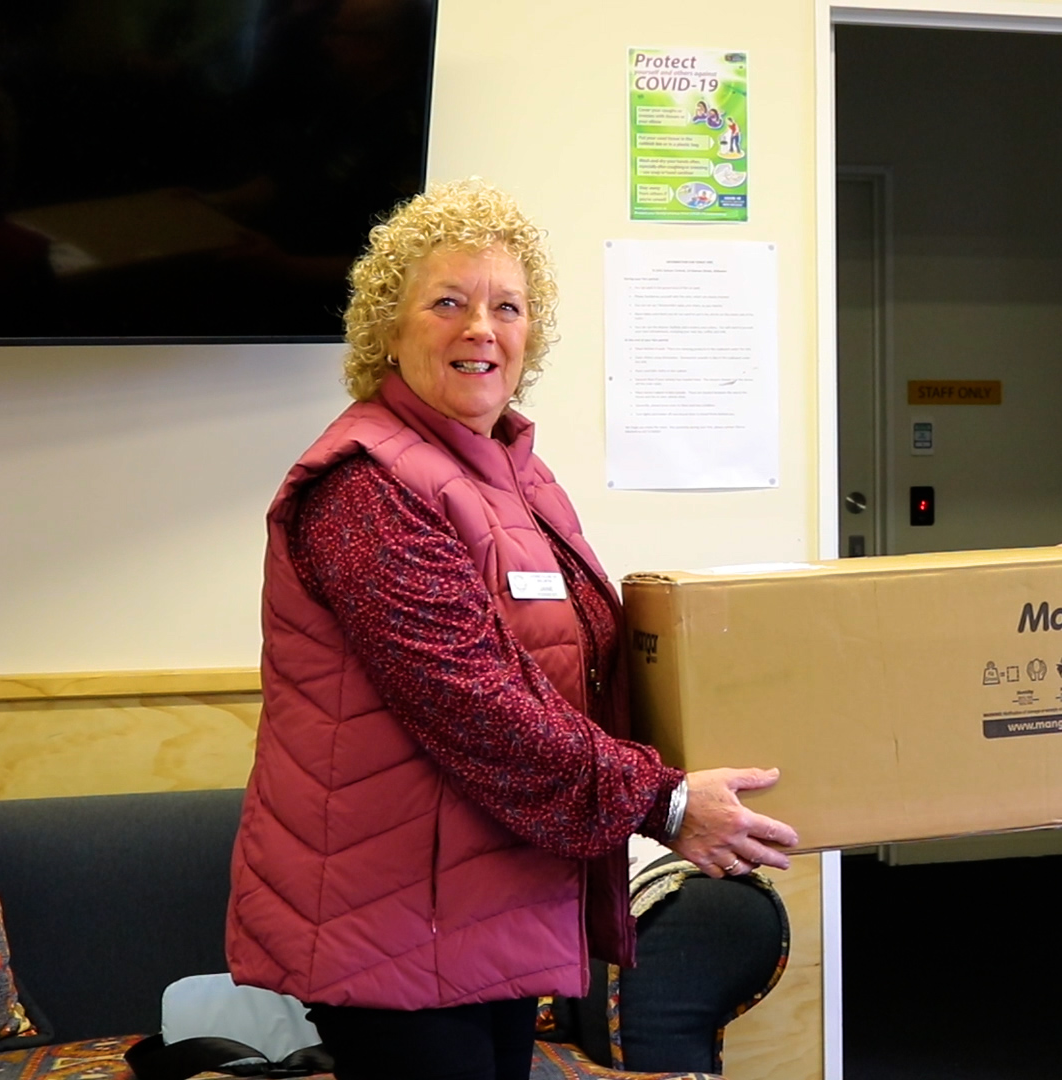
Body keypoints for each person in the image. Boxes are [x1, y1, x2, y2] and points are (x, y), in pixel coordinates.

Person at [226, 179, 799, 1080]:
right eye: (447, 302)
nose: (480, 329)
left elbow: (575, 668)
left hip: (482, 899)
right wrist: (668, 801)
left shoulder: (513, 480)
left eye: (507, 306)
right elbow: (472, 701)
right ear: (388, 328)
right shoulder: (364, 487)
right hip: (393, 921)